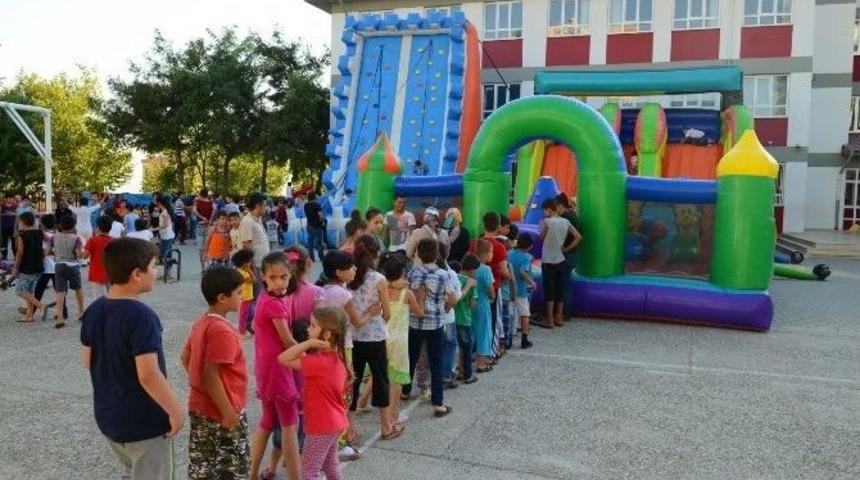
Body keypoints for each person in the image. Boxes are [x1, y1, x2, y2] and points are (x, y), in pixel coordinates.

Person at [80, 238, 184, 480]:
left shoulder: (93, 311)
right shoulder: (142, 317)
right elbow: (148, 374)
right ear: (137, 274)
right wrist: (175, 410)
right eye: (154, 266)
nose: (156, 271)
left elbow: (87, 360)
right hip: (144, 421)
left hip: (110, 416)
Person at [181, 266, 249, 480]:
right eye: (239, 293)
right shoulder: (223, 331)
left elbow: (186, 356)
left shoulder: (203, 321)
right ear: (222, 297)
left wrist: (198, 384)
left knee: (203, 466)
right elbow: (211, 376)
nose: (242, 297)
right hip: (222, 409)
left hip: (200, 406)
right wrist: (228, 412)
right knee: (232, 467)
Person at [277, 306, 350, 480]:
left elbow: (283, 358)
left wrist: (308, 343)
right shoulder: (333, 358)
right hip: (333, 422)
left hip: (322, 425)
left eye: (313, 325)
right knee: (330, 465)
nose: (308, 329)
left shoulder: (318, 363)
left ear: (327, 334)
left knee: (309, 471)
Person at [248, 252, 300, 480]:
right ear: (263, 277)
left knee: (268, 421)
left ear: (291, 276)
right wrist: (312, 353)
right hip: (279, 370)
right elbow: (288, 341)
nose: (279, 282)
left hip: (266, 368)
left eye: (284, 277)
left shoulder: (265, 298)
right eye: (273, 277)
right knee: (290, 426)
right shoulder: (275, 305)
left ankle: (251, 473)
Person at [347, 235, 401, 440]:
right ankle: (386, 426)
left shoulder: (350, 276)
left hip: (353, 336)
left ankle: (350, 428)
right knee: (380, 379)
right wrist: (375, 315)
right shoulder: (379, 279)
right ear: (375, 253)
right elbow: (386, 313)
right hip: (375, 336)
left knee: (354, 379)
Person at [405, 238, 458, 417]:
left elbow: (407, 294)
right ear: (437, 254)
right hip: (435, 323)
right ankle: (438, 403)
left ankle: (405, 390)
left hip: (414, 322)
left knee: (411, 357)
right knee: (436, 362)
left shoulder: (412, 273)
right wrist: (446, 308)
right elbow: (452, 299)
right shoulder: (443, 274)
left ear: (418, 253)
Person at [381, 252, 422, 425]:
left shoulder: (380, 290)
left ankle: (382, 415)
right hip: (399, 342)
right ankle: (393, 415)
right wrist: (423, 296)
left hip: (382, 338)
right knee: (397, 381)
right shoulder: (407, 294)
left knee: (382, 377)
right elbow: (419, 313)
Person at [540, 198, 581, 329]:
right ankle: (559, 317)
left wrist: (542, 226)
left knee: (549, 290)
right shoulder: (565, 221)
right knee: (560, 289)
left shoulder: (547, 221)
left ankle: (550, 319)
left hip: (548, 259)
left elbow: (542, 238)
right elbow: (578, 237)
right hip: (561, 258)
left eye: (544, 210)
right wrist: (567, 248)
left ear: (548, 209)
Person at [52, 214, 86, 324]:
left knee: (60, 291)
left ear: (61, 225)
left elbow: (48, 251)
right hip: (72, 265)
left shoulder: (54, 236)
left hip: (59, 265)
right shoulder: (76, 238)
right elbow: (78, 254)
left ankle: (60, 317)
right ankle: (81, 312)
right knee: (78, 288)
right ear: (74, 226)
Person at [436, 242, 462, 389]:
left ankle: (435, 376)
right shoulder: (449, 273)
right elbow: (456, 294)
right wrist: (450, 304)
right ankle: (446, 375)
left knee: (436, 348)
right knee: (450, 345)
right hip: (447, 316)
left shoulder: (425, 271)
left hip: (433, 316)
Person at [14, 211, 45, 322]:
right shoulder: (40, 233)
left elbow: (20, 252)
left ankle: (41, 306)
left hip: (27, 266)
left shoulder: (21, 235)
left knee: (20, 291)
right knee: (29, 291)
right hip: (38, 265)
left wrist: (15, 267)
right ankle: (29, 316)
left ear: (22, 222)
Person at [453, 254, 479, 383]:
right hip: (464, 318)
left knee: (456, 347)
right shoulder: (471, 283)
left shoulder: (454, 277)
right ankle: (468, 374)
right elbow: (472, 305)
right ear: (472, 270)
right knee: (467, 347)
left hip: (452, 318)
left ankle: (459, 370)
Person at [508, 233, 536, 349]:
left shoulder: (509, 253)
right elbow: (522, 271)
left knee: (509, 314)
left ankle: (507, 339)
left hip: (508, 289)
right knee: (525, 314)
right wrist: (532, 282)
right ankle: (524, 339)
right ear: (530, 246)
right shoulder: (527, 257)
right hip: (520, 290)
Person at [472, 239, 495, 372]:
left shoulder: (472, 268)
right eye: (491, 252)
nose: (492, 255)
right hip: (483, 304)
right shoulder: (486, 269)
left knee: (472, 332)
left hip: (472, 304)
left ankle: (469, 360)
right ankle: (481, 363)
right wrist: (492, 297)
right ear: (484, 254)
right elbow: (490, 289)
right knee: (484, 332)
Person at [82, 216, 114, 292]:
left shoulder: (93, 240)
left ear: (98, 228)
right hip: (111, 273)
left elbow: (84, 256)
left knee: (100, 300)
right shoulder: (114, 241)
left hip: (97, 274)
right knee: (112, 296)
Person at [240, 193, 270, 272]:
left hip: (263, 264)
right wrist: (252, 268)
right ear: (257, 206)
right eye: (264, 206)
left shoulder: (258, 218)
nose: (266, 208)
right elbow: (246, 246)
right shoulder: (247, 221)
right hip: (256, 266)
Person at [232, 249, 256, 336]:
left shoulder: (241, 271)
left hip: (248, 297)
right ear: (244, 263)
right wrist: (249, 270)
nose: (251, 263)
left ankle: (248, 327)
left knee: (251, 313)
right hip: (244, 298)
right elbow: (254, 280)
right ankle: (242, 331)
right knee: (244, 315)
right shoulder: (243, 273)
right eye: (249, 261)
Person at [155, 197, 176, 281]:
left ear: (159, 203)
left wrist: (155, 229)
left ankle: (167, 274)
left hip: (166, 236)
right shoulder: (167, 211)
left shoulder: (164, 212)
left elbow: (165, 224)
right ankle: (167, 274)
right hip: (167, 235)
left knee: (166, 255)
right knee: (167, 255)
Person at [303, 192, 326, 262]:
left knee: (310, 243)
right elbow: (321, 216)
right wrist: (323, 222)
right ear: (314, 197)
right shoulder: (317, 205)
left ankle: (312, 258)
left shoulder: (305, 205)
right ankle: (321, 257)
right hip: (317, 225)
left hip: (309, 225)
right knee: (319, 243)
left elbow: (305, 214)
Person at [1, 195, 17, 259]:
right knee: (4, 242)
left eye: (11, 198)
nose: (10, 199)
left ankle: (15, 256)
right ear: (6, 199)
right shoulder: (2, 206)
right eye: (9, 198)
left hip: (12, 227)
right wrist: (6, 214)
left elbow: (18, 215)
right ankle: (4, 256)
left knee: (14, 242)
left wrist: (13, 214)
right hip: (4, 227)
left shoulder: (15, 207)